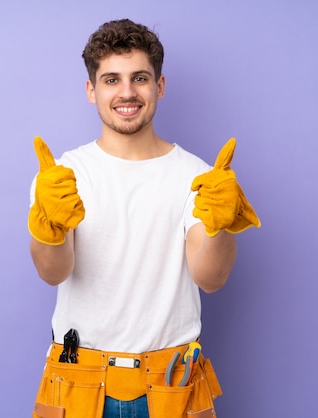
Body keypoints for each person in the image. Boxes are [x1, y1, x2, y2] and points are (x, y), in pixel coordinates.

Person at [29, 19, 260, 418]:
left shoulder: (197, 176)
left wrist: (223, 225)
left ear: (159, 86)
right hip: (79, 380)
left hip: (171, 382)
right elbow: (54, 272)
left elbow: (211, 278)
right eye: (111, 79)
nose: (127, 92)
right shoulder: (63, 176)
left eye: (139, 78)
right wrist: (48, 224)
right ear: (91, 90)